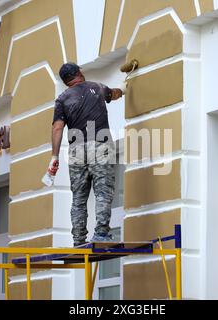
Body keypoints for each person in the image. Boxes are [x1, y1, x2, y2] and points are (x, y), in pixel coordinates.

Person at [45, 62, 123, 247]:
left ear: (66, 82)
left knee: (79, 197)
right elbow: (114, 94)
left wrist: (54, 156)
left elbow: (57, 127)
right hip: (99, 144)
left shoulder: (62, 99)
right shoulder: (96, 87)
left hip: (76, 150)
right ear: (79, 73)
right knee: (103, 191)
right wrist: (123, 89)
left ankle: (78, 239)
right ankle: (101, 233)